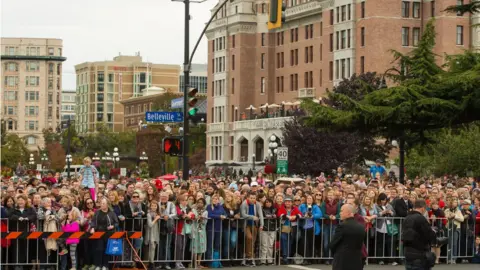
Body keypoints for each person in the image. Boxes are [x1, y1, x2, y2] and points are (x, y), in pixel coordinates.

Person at [402, 199, 437, 270]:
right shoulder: (420, 218)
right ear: (423, 208)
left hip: (408, 253)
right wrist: (434, 232)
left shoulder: (407, 218)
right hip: (419, 254)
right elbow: (429, 235)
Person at [328, 204, 365, 270]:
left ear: (348, 213)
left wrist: (336, 253)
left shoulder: (342, 226)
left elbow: (333, 244)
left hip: (342, 261)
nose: (340, 213)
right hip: (357, 261)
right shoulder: (361, 227)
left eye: (342, 211)